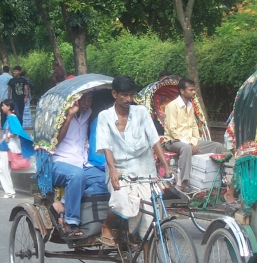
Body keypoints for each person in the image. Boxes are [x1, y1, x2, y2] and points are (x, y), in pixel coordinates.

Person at [97, 76, 172, 246]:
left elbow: (154, 140)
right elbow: (105, 146)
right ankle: (107, 225)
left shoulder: (142, 113)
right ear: (114, 94)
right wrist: (113, 171)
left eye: (131, 95)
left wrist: (166, 166)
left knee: (149, 219)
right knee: (121, 199)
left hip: (145, 170)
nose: (128, 100)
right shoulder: (105, 117)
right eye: (124, 95)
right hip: (120, 170)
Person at [51, 92, 108, 238]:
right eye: (83, 100)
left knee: (105, 178)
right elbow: (56, 141)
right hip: (59, 163)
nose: (86, 103)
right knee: (77, 175)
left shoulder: (88, 113)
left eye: (90, 99)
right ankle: (69, 222)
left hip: (81, 162)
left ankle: (63, 204)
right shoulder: (61, 114)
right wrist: (69, 116)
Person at [163, 78, 224, 192]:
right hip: (173, 141)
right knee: (186, 148)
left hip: (190, 140)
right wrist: (189, 144)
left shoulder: (190, 106)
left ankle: (219, 178)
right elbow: (172, 130)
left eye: (194, 89)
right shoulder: (172, 106)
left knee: (217, 146)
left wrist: (195, 141)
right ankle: (184, 182)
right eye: (191, 90)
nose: (194, 92)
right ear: (182, 91)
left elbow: (194, 127)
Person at [0, 99, 34, 198]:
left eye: (3, 105)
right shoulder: (11, 117)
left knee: (3, 169)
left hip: (8, 146)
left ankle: (9, 192)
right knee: (7, 167)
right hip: (9, 146)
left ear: (8, 107)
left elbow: (17, 130)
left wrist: (8, 137)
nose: (2, 107)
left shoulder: (11, 118)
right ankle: (9, 191)